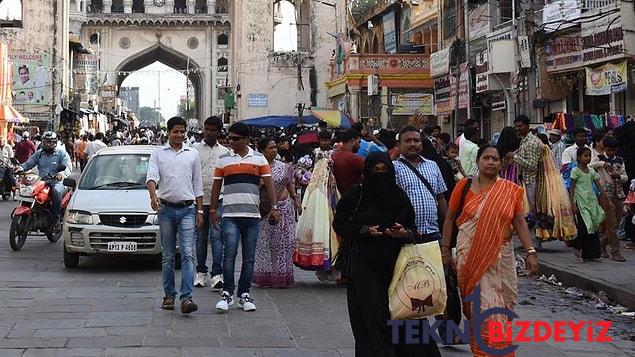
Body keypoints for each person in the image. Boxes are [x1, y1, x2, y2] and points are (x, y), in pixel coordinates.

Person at [333, 152, 441, 357]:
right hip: (365, 265)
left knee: (404, 314)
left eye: (384, 171)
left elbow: (412, 229)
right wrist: (364, 230)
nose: (380, 175)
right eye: (376, 171)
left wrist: (402, 232)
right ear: (367, 172)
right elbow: (340, 223)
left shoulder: (399, 196)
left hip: (398, 265)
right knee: (372, 318)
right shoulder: (357, 195)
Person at [441, 144, 539, 356]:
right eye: (486, 158)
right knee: (484, 308)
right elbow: (449, 219)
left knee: (503, 306)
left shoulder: (510, 189)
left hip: (502, 255)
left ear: (501, 162)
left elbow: (519, 221)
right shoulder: (464, 186)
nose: (491, 162)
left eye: (495, 159)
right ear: (477, 161)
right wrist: (445, 249)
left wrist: (531, 251)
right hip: (471, 255)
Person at [210, 122, 280, 312]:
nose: (230, 141)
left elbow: (269, 185)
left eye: (235, 138)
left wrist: (274, 207)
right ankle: (227, 293)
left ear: (246, 139)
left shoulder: (259, 160)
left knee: (249, 258)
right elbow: (216, 186)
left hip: (251, 216)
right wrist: (213, 210)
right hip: (230, 215)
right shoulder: (223, 159)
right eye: (230, 138)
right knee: (229, 255)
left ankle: (244, 294)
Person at [146, 116, 204, 314]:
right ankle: (169, 295)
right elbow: (151, 177)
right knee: (168, 256)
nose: (179, 135)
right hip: (166, 210)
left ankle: (186, 298)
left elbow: (197, 184)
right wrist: (153, 196)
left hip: (188, 209)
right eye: (175, 131)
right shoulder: (158, 153)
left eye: (182, 131)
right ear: (168, 132)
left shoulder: (193, 154)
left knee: (188, 254)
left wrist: (200, 210)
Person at [253, 138, 301, 288]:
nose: (274, 150)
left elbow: (289, 184)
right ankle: (266, 276)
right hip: (265, 210)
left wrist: (295, 199)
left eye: (275, 147)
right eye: (270, 148)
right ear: (262, 150)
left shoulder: (284, 167)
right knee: (266, 243)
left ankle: (281, 275)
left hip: (284, 208)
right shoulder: (256, 167)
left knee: (283, 243)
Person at [193, 116, 230, 289]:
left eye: (213, 130)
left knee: (217, 237)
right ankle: (200, 272)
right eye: (207, 129)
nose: (209, 132)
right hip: (199, 201)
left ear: (219, 132)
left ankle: (217, 273)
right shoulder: (193, 150)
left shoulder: (225, 152)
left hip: (219, 200)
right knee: (200, 238)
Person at [393, 126, 448, 240]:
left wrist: (448, 225)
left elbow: (440, 198)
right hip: (406, 234)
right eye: (407, 141)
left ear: (421, 144)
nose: (413, 144)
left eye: (416, 140)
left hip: (433, 233)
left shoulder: (433, 165)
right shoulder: (393, 168)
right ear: (399, 145)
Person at [15, 132, 72, 230]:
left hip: (57, 182)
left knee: (56, 191)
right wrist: (21, 168)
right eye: (45, 142)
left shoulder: (61, 153)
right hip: (41, 181)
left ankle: (56, 220)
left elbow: (67, 167)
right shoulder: (39, 153)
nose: (47, 144)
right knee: (29, 190)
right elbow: (29, 163)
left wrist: (61, 174)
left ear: (54, 142)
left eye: (50, 142)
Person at [509, 115, 544, 249]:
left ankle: (535, 243)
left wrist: (515, 157)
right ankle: (529, 243)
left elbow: (532, 165)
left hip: (532, 181)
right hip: (525, 180)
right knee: (528, 213)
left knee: (533, 212)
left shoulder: (531, 142)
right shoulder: (524, 141)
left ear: (527, 126)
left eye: (520, 126)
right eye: (516, 126)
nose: (518, 128)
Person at [569, 147, 606, 261]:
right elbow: (572, 187)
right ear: (579, 158)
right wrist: (572, 203)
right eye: (585, 156)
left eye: (589, 156)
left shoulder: (591, 171)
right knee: (586, 226)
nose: (588, 158)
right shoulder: (575, 171)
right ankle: (577, 246)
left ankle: (592, 253)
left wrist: (604, 195)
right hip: (581, 202)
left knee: (594, 226)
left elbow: (598, 184)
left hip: (591, 201)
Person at [596, 136, 627, 262]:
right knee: (612, 223)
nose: (611, 153)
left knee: (616, 222)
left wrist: (618, 176)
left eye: (613, 150)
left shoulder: (619, 160)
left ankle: (603, 243)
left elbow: (625, 176)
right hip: (605, 195)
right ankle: (615, 251)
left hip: (618, 194)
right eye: (609, 150)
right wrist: (602, 164)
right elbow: (589, 165)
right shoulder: (600, 158)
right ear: (605, 149)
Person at [332, 129, 365, 195]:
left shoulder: (334, 156)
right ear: (352, 141)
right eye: (359, 142)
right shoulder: (354, 158)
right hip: (353, 198)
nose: (359, 146)